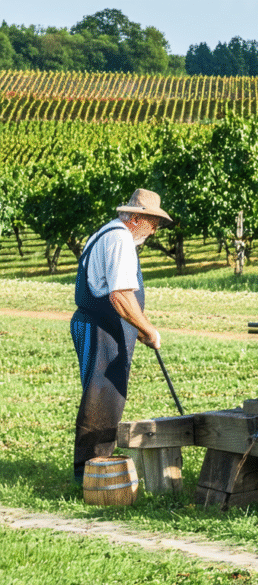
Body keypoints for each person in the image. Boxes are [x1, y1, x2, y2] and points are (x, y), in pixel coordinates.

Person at [69, 189, 172, 484]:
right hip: (101, 328)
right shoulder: (120, 239)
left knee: (106, 398)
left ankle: (95, 469)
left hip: (105, 326)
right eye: (153, 223)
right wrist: (148, 329)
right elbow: (120, 296)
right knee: (100, 398)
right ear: (136, 218)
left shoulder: (111, 233)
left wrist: (138, 329)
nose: (154, 231)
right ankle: (91, 475)